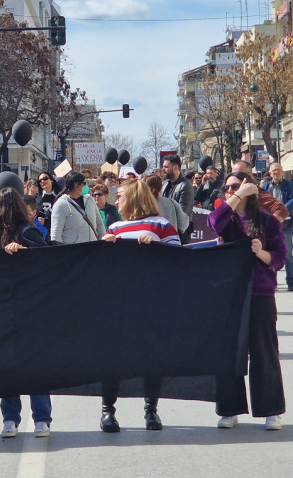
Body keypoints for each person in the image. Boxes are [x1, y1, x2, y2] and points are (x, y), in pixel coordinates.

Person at [99, 178, 180, 433]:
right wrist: (104, 247)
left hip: (152, 303)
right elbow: (99, 267)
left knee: (151, 356)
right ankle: (107, 411)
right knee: (112, 357)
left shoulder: (162, 225)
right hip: (118, 304)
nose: (116, 200)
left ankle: (151, 411)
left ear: (133, 197)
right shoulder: (114, 227)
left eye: (120, 195)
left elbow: (180, 261)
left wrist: (155, 247)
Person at [208, 172, 286, 431]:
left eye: (236, 186)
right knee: (229, 353)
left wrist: (261, 252)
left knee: (265, 352)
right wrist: (239, 195)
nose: (230, 191)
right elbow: (213, 222)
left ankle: (272, 410)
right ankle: (230, 409)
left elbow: (279, 258)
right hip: (229, 295)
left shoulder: (267, 222)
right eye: (228, 187)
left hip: (261, 294)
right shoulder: (227, 220)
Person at [0, 188, 53, 438]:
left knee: (34, 363)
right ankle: (10, 418)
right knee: (7, 364)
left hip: (30, 307)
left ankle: (42, 418)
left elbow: (47, 261)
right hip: (7, 305)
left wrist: (24, 252)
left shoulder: (27, 231)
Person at [260, 163, 293, 292]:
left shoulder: (289, 185)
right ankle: (273, 281)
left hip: (286, 224)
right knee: (271, 253)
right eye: (274, 171)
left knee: (287, 254)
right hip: (270, 225)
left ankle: (290, 281)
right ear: (270, 173)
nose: (276, 173)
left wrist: (280, 213)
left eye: (278, 170)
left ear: (282, 172)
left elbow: (292, 200)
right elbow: (262, 203)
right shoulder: (265, 186)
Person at [50, 171, 105, 245]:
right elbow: (56, 235)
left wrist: (103, 243)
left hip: (92, 250)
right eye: (84, 184)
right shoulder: (61, 204)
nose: (86, 187)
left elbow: (100, 224)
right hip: (73, 252)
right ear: (76, 186)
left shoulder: (89, 200)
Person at [160, 155, 194, 241]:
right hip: (165, 230)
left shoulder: (186, 186)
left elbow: (183, 212)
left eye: (166, 167)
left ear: (175, 167)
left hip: (180, 233)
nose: (163, 170)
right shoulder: (165, 184)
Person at [145, 175, 188, 239]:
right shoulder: (172, 203)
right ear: (161, 187)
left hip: (147, 241)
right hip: (170, 242)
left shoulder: (141, 205)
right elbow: (183, 224)